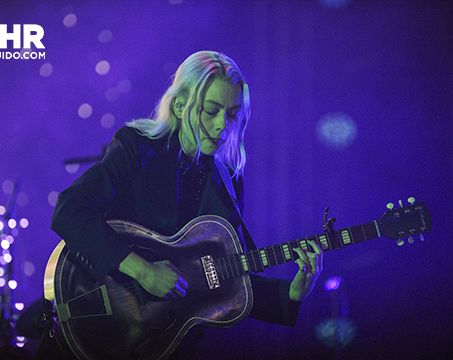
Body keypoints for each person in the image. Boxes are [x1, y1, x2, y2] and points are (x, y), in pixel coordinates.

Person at [39, 51, 323, 359]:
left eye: (232, 114)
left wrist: (290, 294)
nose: (222, 127)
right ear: (179, 105)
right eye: (211, 111)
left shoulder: (227, 179)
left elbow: (228, 271)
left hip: (167, 341)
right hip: (96, 319)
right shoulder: (137, 146)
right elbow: (70, 209)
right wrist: (143, 270)